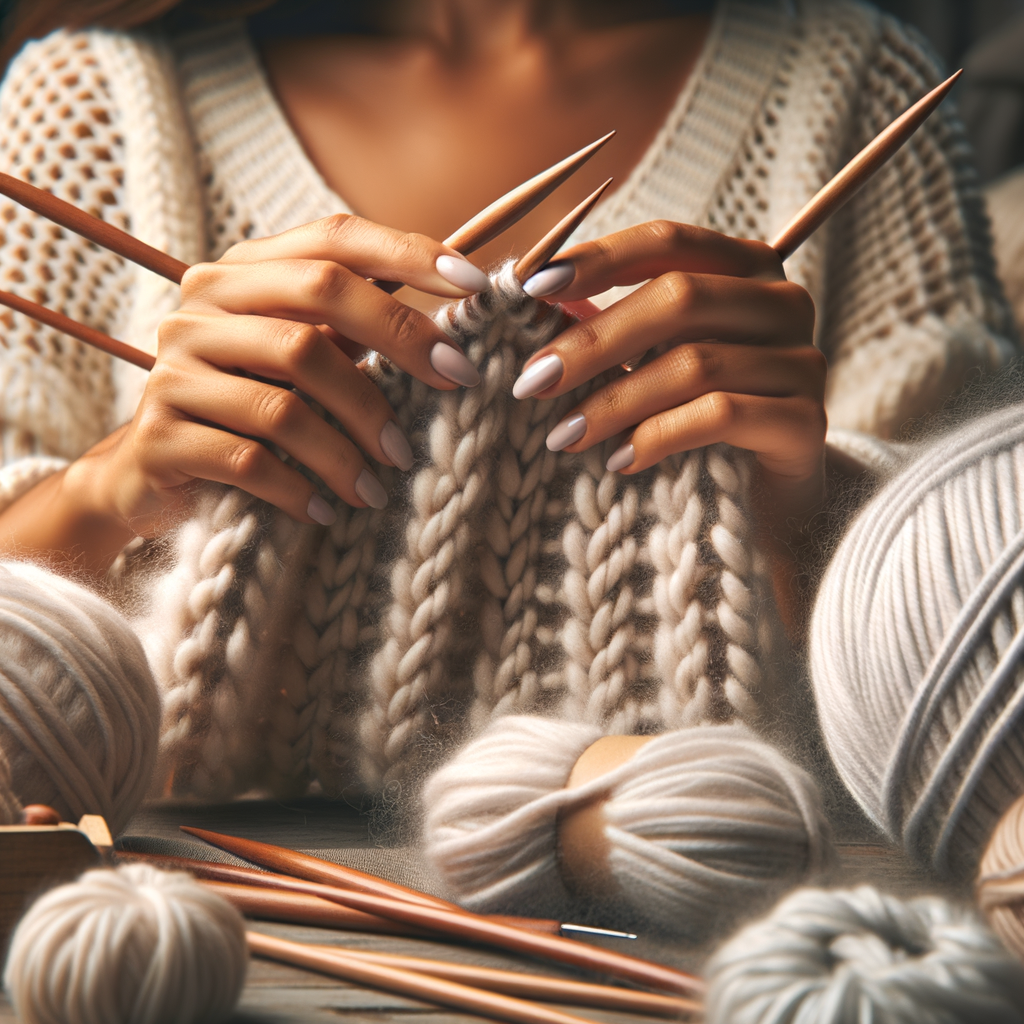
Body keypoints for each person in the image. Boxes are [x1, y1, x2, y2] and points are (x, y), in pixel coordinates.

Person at [0, 0, 1013, 798]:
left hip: (696, 894)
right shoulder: (93, 101)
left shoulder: (848, 85)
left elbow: (986, 624)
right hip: (198, 889)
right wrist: (104, 491)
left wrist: (818, 515)